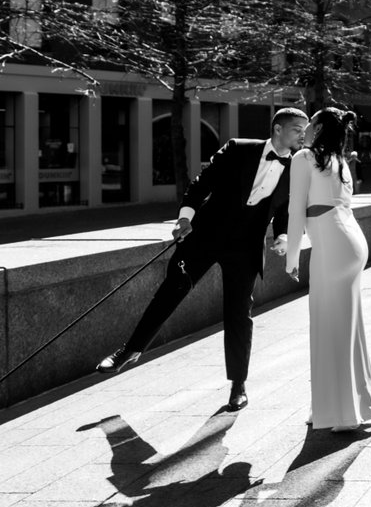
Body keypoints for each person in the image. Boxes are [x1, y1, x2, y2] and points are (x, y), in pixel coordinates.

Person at [96, 108, 310, 412]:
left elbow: (286, 209)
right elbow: (200, 184)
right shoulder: (238, 148)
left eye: (304, 129)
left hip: (245, 247)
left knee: (239, 313)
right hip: (206, 237)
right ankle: (129, 350)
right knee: (172, 290)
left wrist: (283, 237)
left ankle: (238, 385)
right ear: (277, 129)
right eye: (296, 129)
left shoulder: (297, 168)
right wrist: (185, 218)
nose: (303, 134)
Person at [285, 108, 371, 431]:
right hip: (353, 243)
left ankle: (341, 413)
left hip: (332, 248)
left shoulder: (303, 159)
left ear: (320, 127)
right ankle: (348, 405)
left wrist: (291, 258)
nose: (306, 127)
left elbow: (295, 211)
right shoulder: (338, 162)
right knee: (349, 329)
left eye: (310, 122)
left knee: (328, 328)